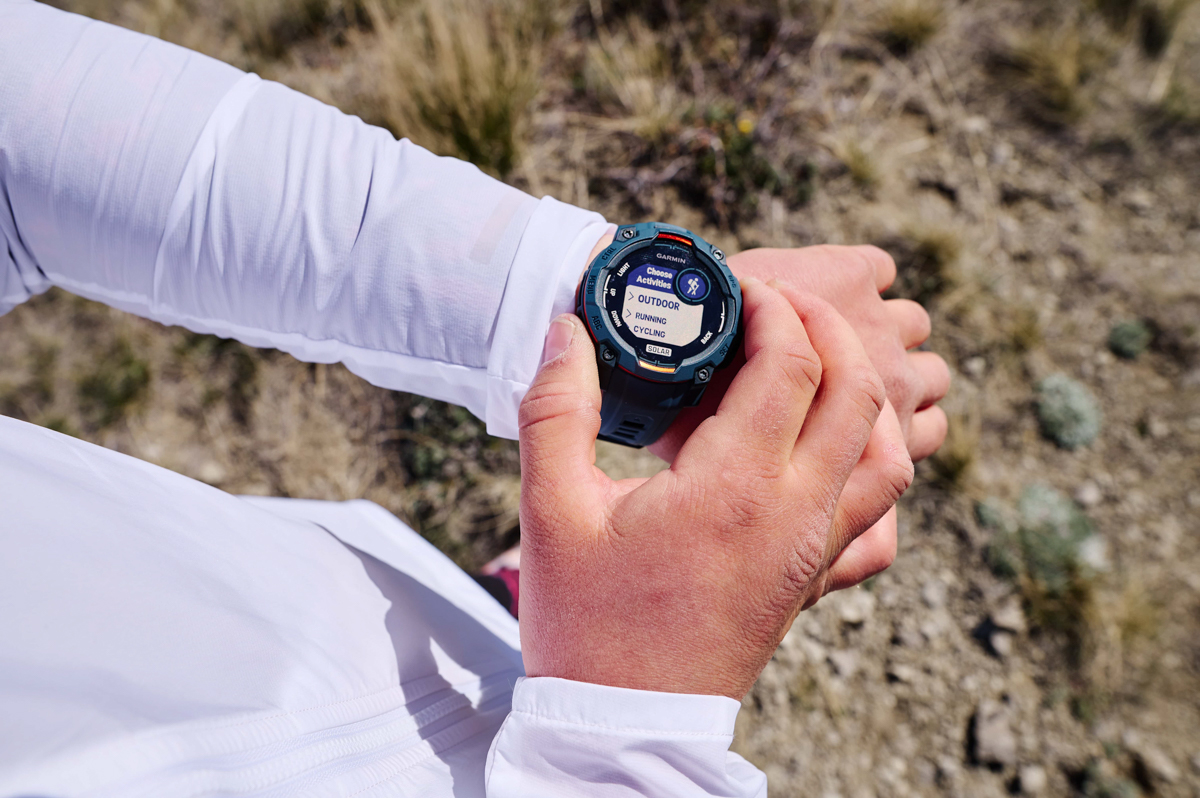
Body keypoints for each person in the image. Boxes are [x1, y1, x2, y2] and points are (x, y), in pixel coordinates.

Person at [0, 1, 950, 795]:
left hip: (303, 593)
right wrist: (621, 733)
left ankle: (495, 607)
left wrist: (562, 287)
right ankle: (512, 624)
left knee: (433, 606)